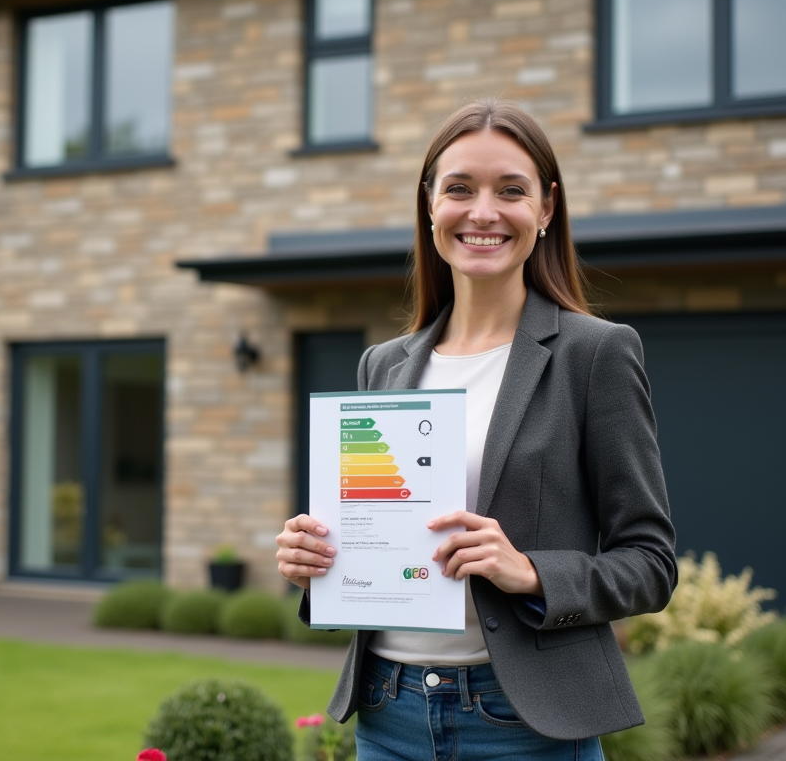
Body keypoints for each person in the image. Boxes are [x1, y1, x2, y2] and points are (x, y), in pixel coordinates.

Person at [276, 99, 676, 761]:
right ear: (429, 205)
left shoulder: (594, 354)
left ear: (546, 209)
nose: (483, 212)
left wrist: (531, 572)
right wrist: (318, 564)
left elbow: (651, 563)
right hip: (387, 711)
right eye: (459, 188)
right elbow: (377, 546)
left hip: (524, 724)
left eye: (510, 191)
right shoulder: (384, 364)